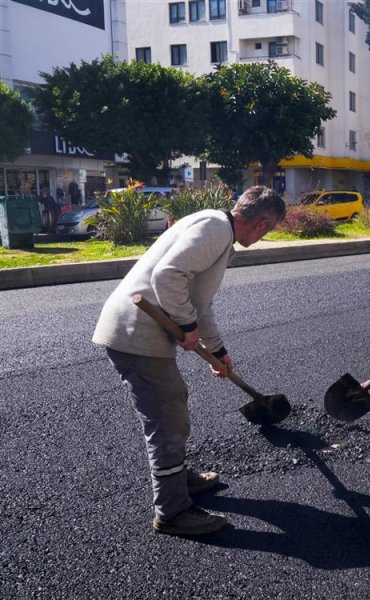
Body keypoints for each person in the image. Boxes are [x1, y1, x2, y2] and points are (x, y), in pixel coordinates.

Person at [92, 186, 286, 535]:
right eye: (268, 232)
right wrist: (186, 325)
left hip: (141, 332)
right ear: (261, 224)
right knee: (167, 418)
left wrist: (217, 350)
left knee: (173, 406)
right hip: (135, 334)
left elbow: (200, 301)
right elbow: (167, 277)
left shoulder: (216, 229)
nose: (264, 237)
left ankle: (178, 477)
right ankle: (172, 511)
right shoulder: (215, 228)